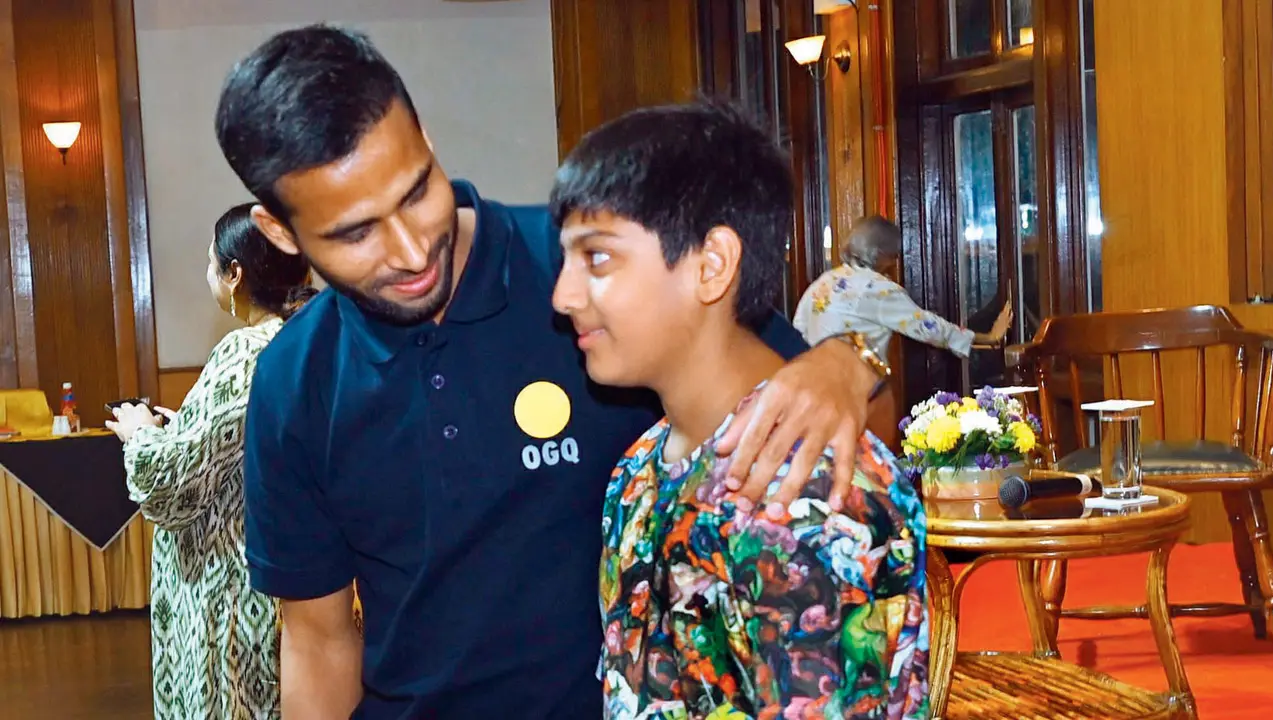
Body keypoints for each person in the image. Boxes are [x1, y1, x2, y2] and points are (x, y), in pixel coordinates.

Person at [214, 25, 885, 719]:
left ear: (426, 145)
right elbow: (318, 641)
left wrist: (846, 362)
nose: (411, 252)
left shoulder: (589, 277)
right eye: (357, 233)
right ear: (281, 232)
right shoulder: (293, 380)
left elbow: (794, 382)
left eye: (416, 193)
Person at [551, 101, 929, 718]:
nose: (563, 296)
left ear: (712, 265)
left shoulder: (807, 494)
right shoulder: (637, 470)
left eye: (596, 258)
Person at [105, 203, 315, 719]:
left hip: (229, 590)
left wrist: (140, 434)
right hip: (290, 573)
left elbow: (171, 487)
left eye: (209, 262)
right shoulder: (305, 340)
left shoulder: (245, 351)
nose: (207, 274)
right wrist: (185, 426)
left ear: (235, 274)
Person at [793, 215, 1013, 363]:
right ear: (880, 254)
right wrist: (989, 337)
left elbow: (798, 328)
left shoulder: (824, 281)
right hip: (851, 387)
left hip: (814, 384)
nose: (894, 263)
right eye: (894, 256)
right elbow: (928, 327)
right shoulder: (877, 288)